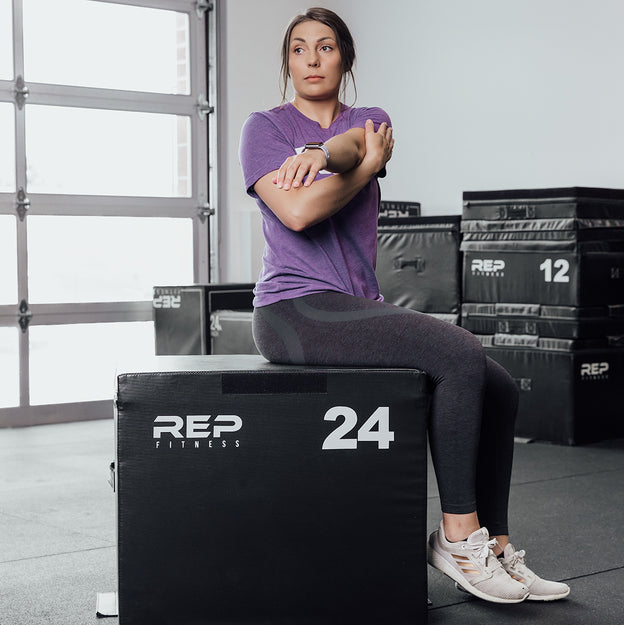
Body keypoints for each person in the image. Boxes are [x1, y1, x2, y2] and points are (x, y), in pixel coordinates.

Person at [239, 7, 569, 604]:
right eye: (298, 49)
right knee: (461, 352)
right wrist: (363, 169)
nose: (312, 59)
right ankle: (456, 535)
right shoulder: (262, 127)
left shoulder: (372, 120)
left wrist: (336, 156)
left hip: (354, 305)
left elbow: (348, 146)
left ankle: (492, 543)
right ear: (286, 62)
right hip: (293, 310)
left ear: (346, 58)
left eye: (326, 47)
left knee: (500, 388)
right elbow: (298, 213)